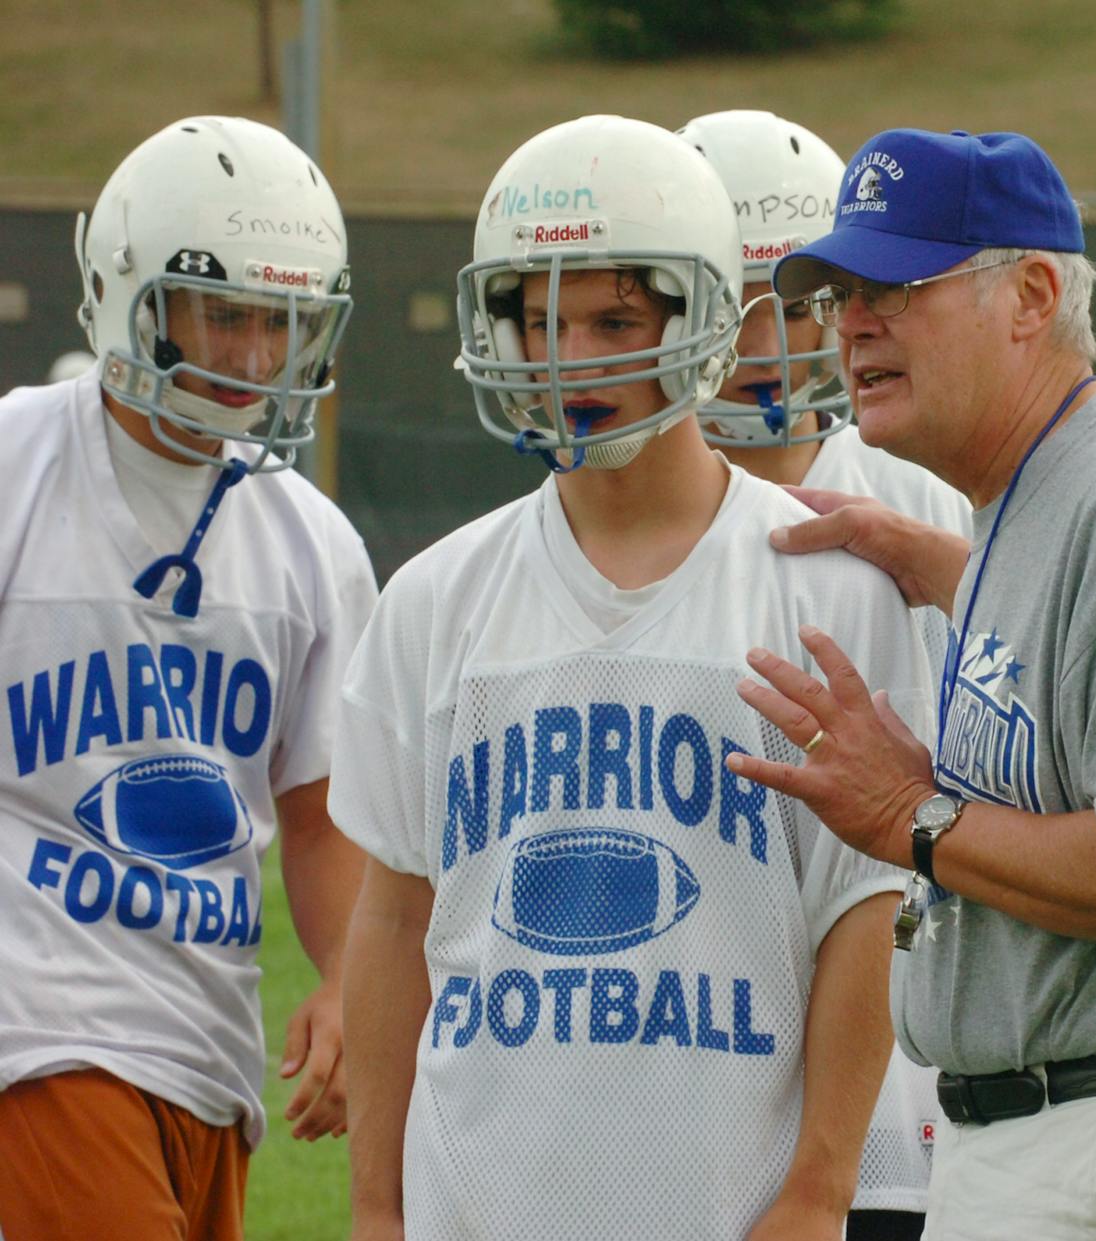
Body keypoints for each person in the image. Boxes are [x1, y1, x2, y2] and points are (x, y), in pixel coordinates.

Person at [328, 113, 934, 1241]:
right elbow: (394, 912)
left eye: (614, 317)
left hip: (729, 1190)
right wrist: (375, 1206)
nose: (570, 356)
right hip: (480, 1191)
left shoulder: (826, 586)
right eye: (539, 319)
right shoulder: (433, 598)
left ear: (708, 319)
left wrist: (816, 1186)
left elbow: (868, 908)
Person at [724, 127, 1096, 1240]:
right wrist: (950, 571)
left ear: (1031, 294)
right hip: (1079, 1132)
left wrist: (910, 815)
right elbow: (1079, 673)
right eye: (841, 293)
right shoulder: (1042, 495)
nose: (852, 321)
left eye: (896, 286)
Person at [0, 116, 377, 1241]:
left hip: (202, 1035)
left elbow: (318, 816)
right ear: (130, 293)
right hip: (37, 1020)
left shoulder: (311, 543)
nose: (256, 356)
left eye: (281, 320)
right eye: (226, 312)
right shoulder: (16, 465)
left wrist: (349, 977)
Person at [680, 108, 972, 1241]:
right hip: (679, 1061)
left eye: (794, 302)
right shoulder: (620, 513)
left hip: (903, 1098)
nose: (766, 341)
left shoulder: (927, 489)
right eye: (734, 304)